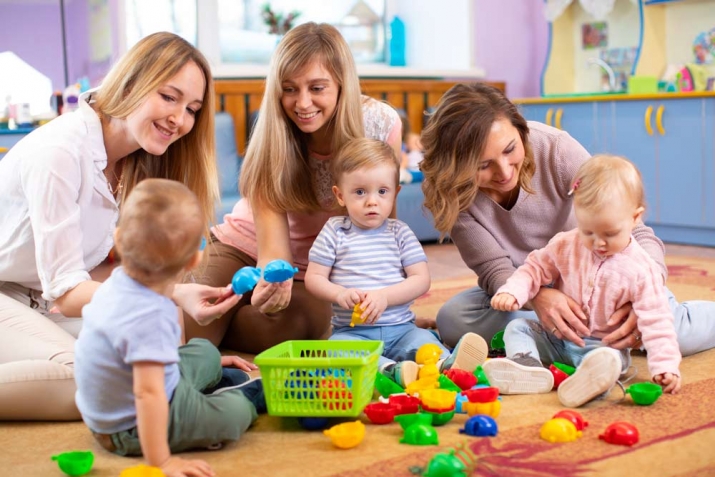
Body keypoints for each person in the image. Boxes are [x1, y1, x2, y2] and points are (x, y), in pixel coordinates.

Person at [0, 32, 241, 421]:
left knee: (136, 370)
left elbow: (93, 273)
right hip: (9, 298)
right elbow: (66, 291)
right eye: (168, 97)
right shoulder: (60, 152)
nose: (180, 120)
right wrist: (166, 295)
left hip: (40, 303)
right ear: (132, 82)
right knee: (84, 381)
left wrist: (173, 363)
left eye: (193, 108)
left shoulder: (132, 162)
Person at [419, 82, 715, 357]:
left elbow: (637, 232)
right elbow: (495, 271)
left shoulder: (556, 149)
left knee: (668, 331)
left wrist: (646, 292)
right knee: (453, 319)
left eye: (510, 150)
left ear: (521, 131)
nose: (504, 172)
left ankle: (567, 337)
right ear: (455, 166)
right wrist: (540, 298)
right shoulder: (452, 191)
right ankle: (578, 335)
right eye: (483, 166)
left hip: (608, 278)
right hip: (529, 285)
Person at [186, 22, 402, 354]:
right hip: (243, 244)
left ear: (342, 84)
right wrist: (273, 281)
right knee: (191, 323)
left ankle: (222, 324)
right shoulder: (274, 133)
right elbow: (274, 252)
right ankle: (209, 319)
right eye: (290, 89)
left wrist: (388, 304)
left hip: (319, 267)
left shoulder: (379, 125)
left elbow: (381, 225)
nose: (302, 103)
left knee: (286, 328)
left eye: (317, 88)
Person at [75, 179, 265, 477]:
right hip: (130, 425)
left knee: (204, 350)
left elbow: (154, 358)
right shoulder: (151, 315)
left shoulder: (115, 281)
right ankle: (246, 394)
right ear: (194, 259)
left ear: (119, 239)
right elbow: (148, 393)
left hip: (122, 403)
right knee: (234, 415)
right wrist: (161, 462)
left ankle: (212, 377)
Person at [483, 155, 681, 407]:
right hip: (555, 338)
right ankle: (527, 365)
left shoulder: (642, 269)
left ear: (635, 218)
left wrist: (665, 366)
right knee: (518, 327)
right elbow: (533, 268)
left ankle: (589, 383)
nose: (598, 243)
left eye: (610, 234)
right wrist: (513, 291)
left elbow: (657, 322)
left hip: (601, 347)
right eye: (588, 231)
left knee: (611, 362)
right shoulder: (566, 244)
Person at [304, 138, 488, 386]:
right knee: (336, 351)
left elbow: (421, 280)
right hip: (352, 333)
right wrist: (339, 294)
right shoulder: (334, 231)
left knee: (425, 342)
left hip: (402, 329)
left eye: (382, 191)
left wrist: (385, 297)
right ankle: (391, 370)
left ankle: (447, 365)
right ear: (340, 195)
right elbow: (314, 278)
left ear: (395, 193)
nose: (372, 201)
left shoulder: (399, 232)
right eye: (360, 192)